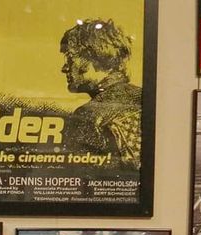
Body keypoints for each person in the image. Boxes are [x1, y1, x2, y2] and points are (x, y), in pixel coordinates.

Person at [60, 19, 142, 169]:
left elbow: (78, 176)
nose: (64, 68)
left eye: (70, 58)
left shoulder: (88, 114)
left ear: (95, 57)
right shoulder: (143, 97)